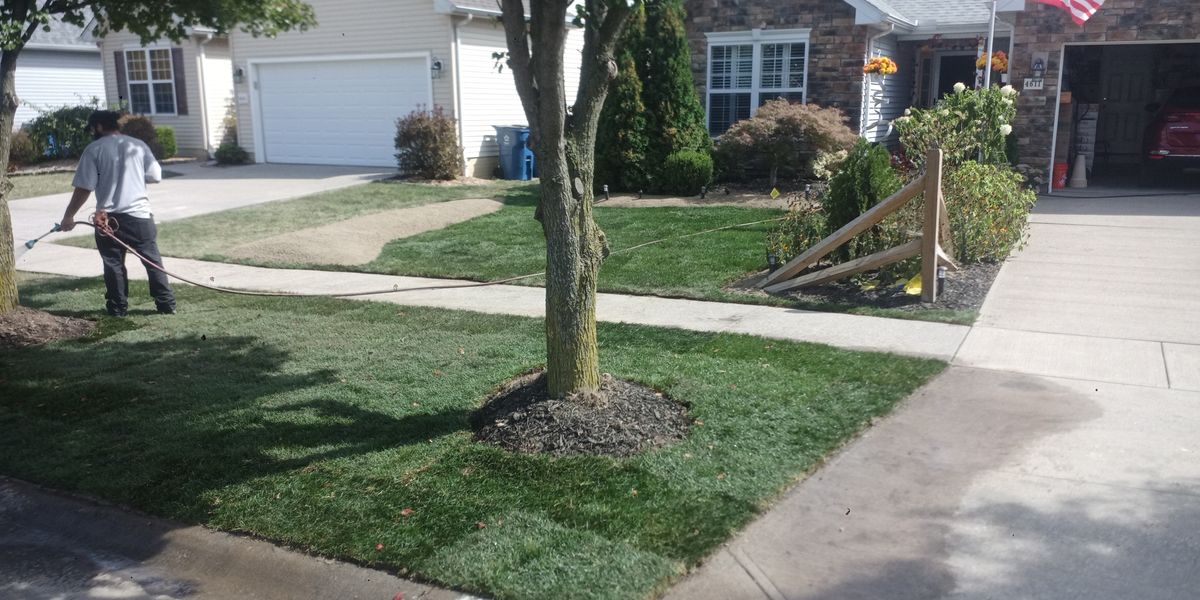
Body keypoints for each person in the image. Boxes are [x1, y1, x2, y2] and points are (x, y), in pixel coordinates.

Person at [60, 110, 176, 316]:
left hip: (108, 220)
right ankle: (166, 304)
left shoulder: (94, 149)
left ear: (98, 127)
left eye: (92, 129)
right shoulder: (137, 146)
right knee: (152, 260)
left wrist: (69, 216)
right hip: (140, 216)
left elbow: (84, 188)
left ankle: (117, 307)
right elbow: (155, 176)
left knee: (113, 264)